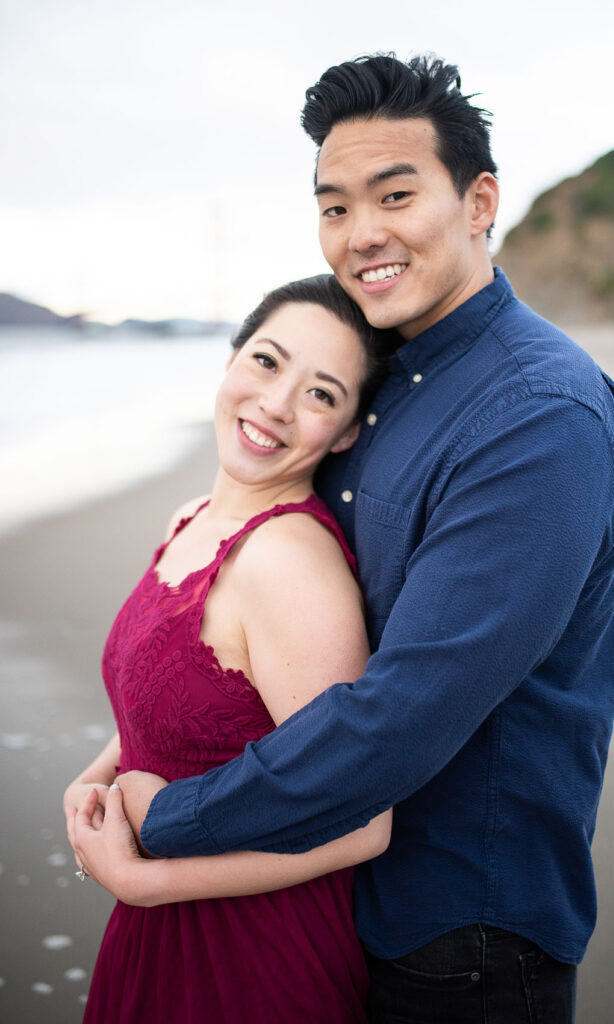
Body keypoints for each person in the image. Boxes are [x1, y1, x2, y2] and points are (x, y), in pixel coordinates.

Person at [94, 55, 614, 1023]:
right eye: (334, 206)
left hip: (459, 932)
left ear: (479, 202)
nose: (361, 234)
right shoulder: (387, 382)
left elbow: (403, 710)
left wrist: (167, 817)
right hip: (330, 897)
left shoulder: (536, 418)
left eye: (394, 194)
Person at [64, 274, 394, 1024]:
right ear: (231, 360)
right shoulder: (191, 519)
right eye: (267, 362)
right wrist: (90, 780)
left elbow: (363, 821)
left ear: (344, 432)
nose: (275, 405)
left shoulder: (288, 565)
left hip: (248, 957)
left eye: (321, 394)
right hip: (151, 927)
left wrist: (151, 884)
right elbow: (179, 703)